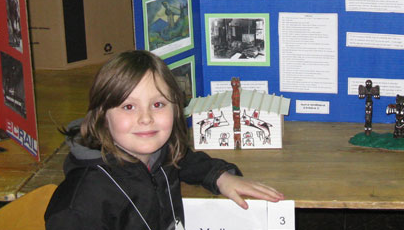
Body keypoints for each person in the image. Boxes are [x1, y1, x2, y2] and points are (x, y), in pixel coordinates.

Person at [45, 50, 283, 230]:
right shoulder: (80, 205)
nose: (146, 118)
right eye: (128, 107)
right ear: (102, 116)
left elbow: (184, 160)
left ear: (176, 109)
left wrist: (221, 176)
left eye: (158, 104)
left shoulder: (159, 153)